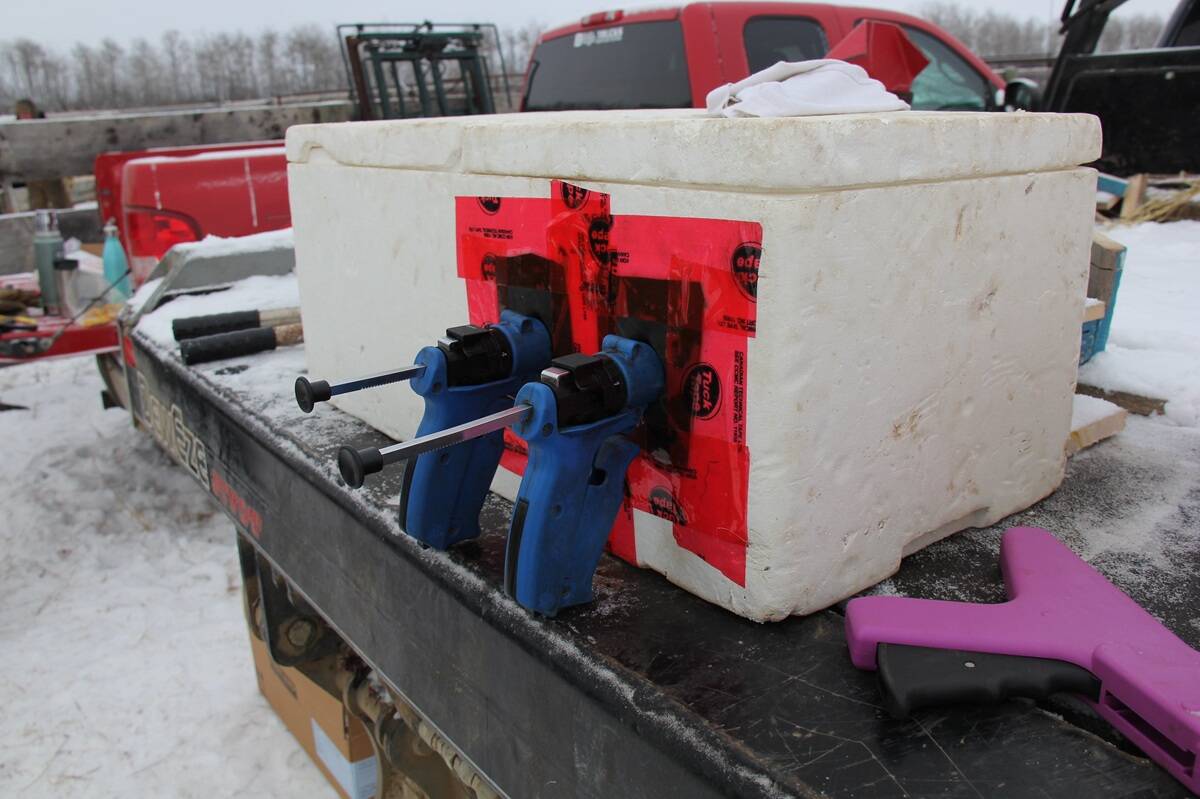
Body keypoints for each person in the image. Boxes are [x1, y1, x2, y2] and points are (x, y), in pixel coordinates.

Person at [13, 98, 71, 210]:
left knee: (60, 203)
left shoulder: (45, 125)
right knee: (37, 206)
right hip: (31, 174)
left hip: (49, 171)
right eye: (21, 114)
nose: (24, 117)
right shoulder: (16, 130)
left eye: (26, 113)